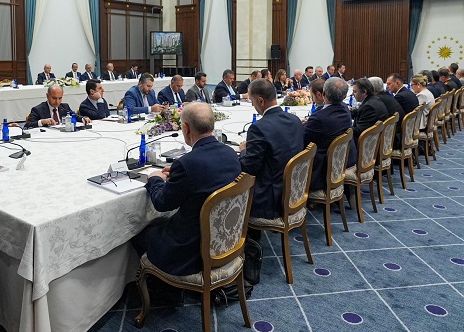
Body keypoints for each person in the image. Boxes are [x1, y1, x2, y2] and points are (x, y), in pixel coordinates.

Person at [131, 103, 241, 277]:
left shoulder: (186, 163)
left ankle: (160, 287)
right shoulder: (231, 154)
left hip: (190, 252)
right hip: (227, 240)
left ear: (185, 128)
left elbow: (162, 204)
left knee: (138, 233)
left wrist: (155, 179)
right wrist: (177, 175)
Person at [239, 78, 304, 220]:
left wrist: (243, 150)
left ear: (260, 101)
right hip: (295, 190)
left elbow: (250, 168)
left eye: (252, 101)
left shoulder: (258, 128)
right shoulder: (295, 120)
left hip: (270, 200)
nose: (253, 105)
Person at [302, 77, 357, 191]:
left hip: (322, 169)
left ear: (323, 94)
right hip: (344, 160)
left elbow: (302, 137)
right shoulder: (345, 108)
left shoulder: (319, 118)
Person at [351, 77, 388, 145]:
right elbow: (359, 111)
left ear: (364, 92)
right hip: (377, 139)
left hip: (367, 145)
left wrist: (343, 127)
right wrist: (348, 112)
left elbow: (358, 131)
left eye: (355, 91)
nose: (352, 94)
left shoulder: (369, 107)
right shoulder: (374, 99)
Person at [370, 77, 404, 148]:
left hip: (391, 139)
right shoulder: (386, 95)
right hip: (397, 134)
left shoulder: (377, 99)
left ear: (372, 88)